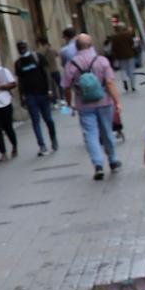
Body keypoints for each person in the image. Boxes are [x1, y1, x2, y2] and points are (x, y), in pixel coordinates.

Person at [60, 32, 122, 180]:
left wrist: (69, 104)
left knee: (90, 134)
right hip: (104, 102)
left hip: (84, 104)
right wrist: (117, 101)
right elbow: (110, 82)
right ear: (91, 45)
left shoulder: (71, 64)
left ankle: (98, 164)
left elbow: (66, 87)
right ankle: (113, 160)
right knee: (107, 131)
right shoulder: (101, 60)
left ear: (76, 47)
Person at [16, 40, 58, 156]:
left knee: (48, 119)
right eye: (20, 47)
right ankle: (42, 145)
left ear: (27, 46)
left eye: (23, 46)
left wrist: (50, 89)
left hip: (43, 93)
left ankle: (53, 138)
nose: (22, 49)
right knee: (35, 121)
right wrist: (21, 97)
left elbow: (47, 73)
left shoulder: (37, 57)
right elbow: (20, 81)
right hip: (30, 95)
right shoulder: (19, 63)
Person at [107, 22, 139, 91]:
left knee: (123, 70)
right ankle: (133, 85)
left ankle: (124, 80)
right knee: (131, 70)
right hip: (130, 55)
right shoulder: (128, 35)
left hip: (120, 56)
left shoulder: (114, 37)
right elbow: (132, 44)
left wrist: (115, 56)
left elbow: (113, 48)